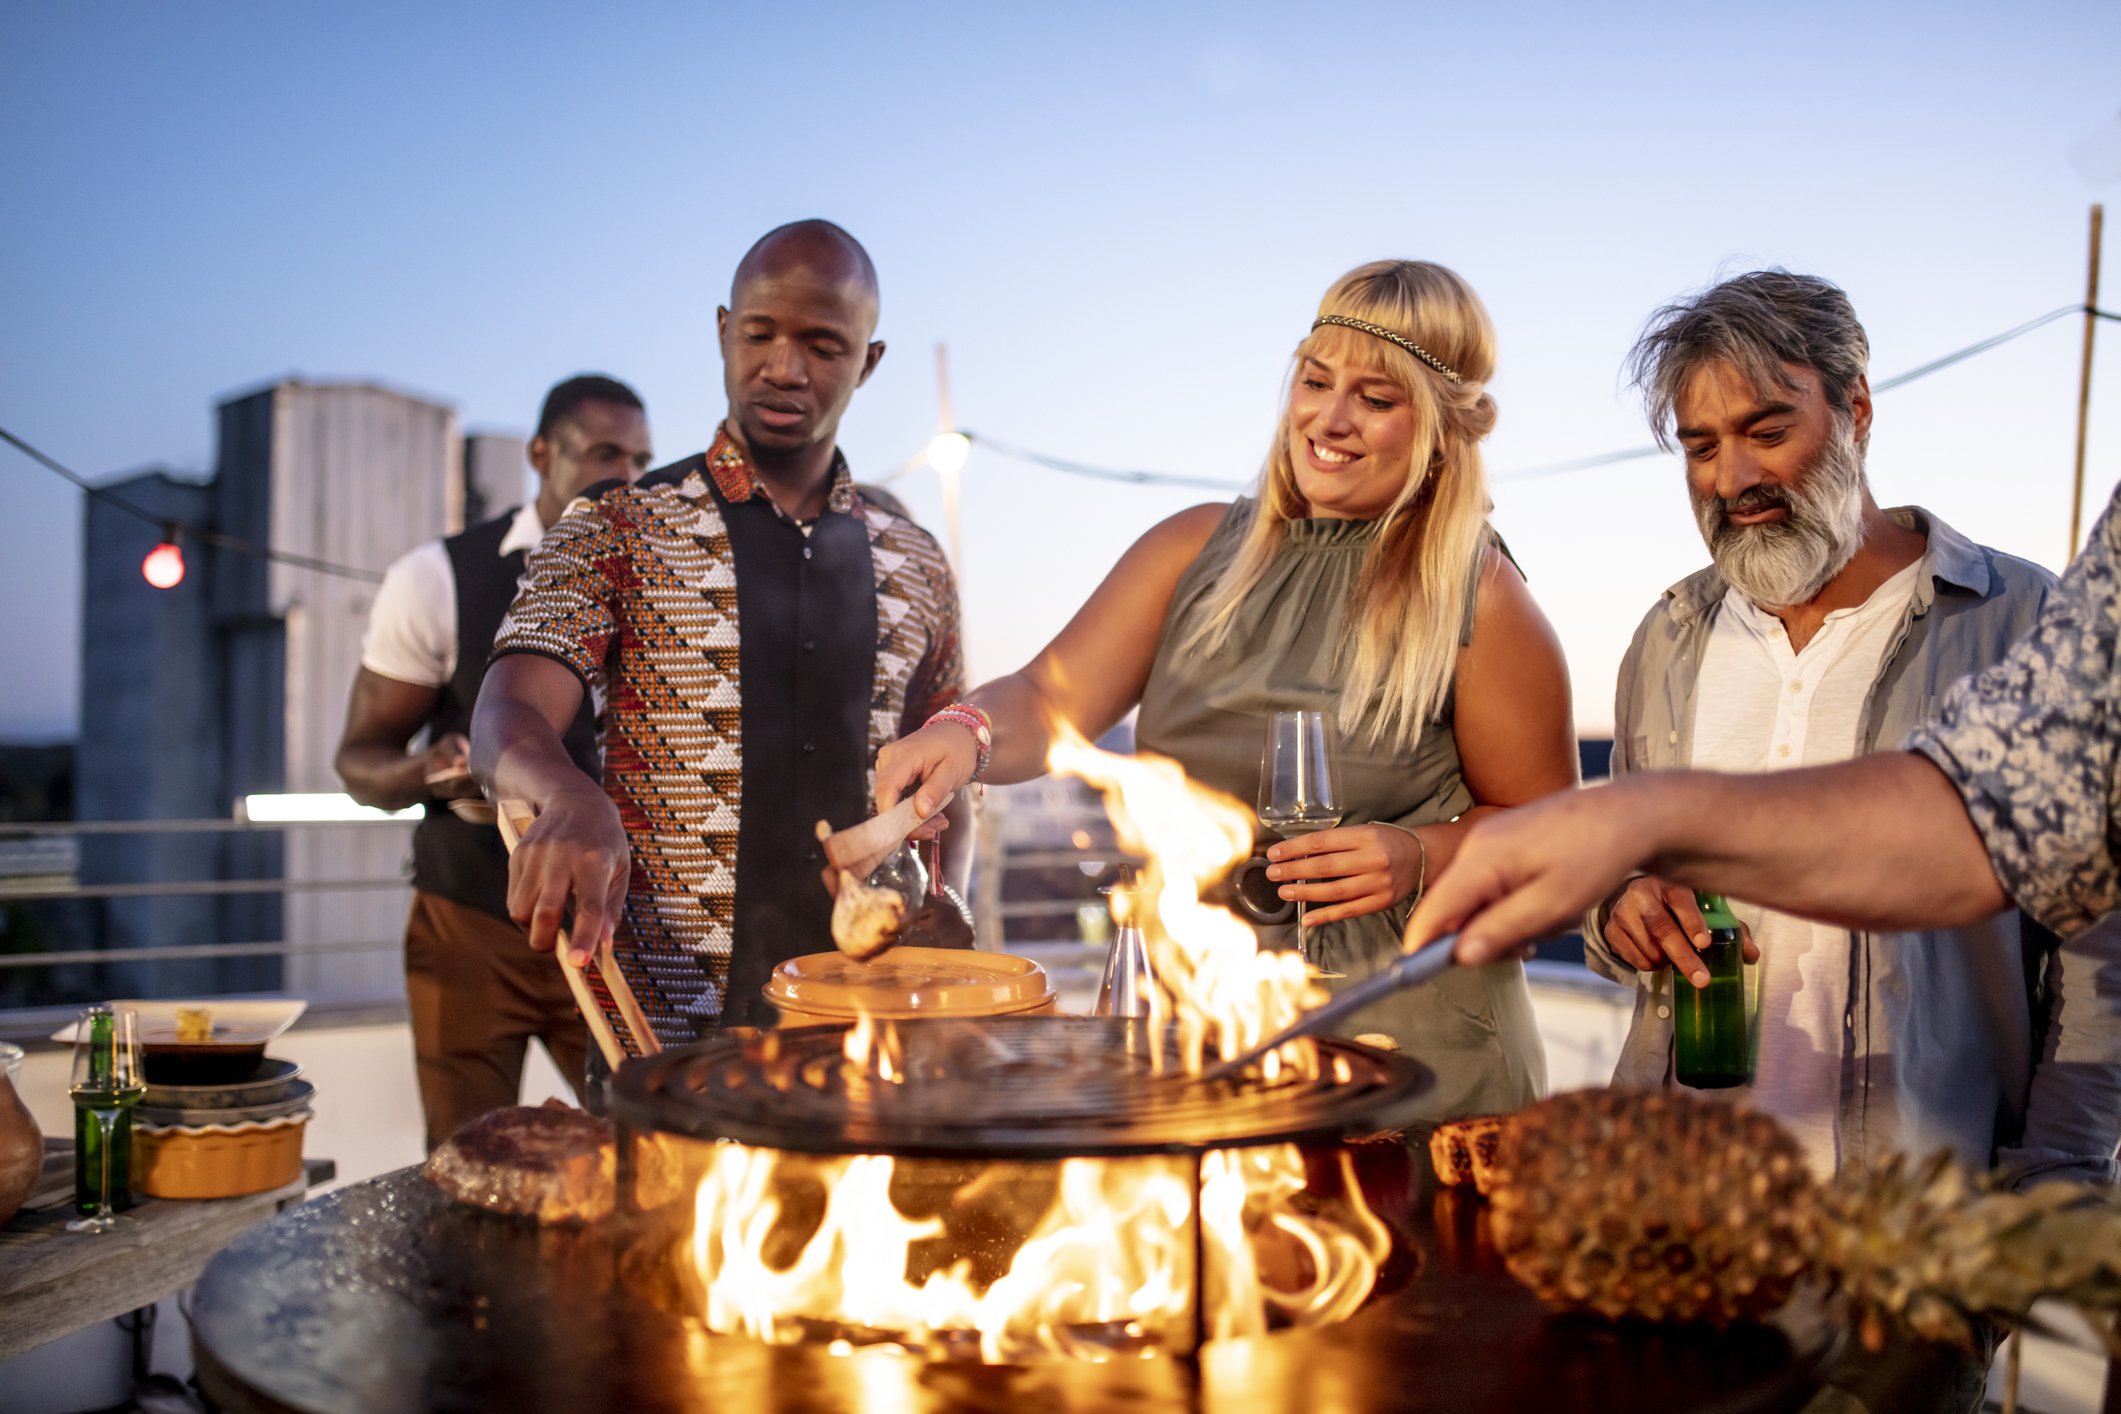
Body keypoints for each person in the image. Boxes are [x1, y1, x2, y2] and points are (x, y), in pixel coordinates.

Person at [875, 259, 1577, 1119]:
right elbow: (1045, 699)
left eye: (1376, 399)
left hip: (1404, 1043)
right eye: (1315, 382)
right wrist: (965, 733)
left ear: (1440, 426)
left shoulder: (1483, 597)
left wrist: (1418, 855)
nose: (1330, 418)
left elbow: (1553, 833)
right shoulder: (1191, 548)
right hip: (1193, 1024)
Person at [1579, 270, 2119, 1190]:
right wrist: (1615, 906)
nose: (1732, 478)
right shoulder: (1665, 639)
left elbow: (2096, 938)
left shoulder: (2020, 616)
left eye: (1767, 431)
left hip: (1920, 1224)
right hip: (1682, 1208)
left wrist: (2055, 1173)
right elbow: (1617, 886)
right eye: (1699, 446)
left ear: (1856, 409)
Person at [471, 220, 967, 1042]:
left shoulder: (913, 557)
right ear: (722, 332)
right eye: (760, 333)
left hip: (869, 1027)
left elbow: (951, 766)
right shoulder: (619, 523)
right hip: (666, 1039)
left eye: (822, 344)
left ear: (868, 362)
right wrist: (565, 793)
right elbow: (505, 713)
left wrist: (947, 901)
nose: (783, 367)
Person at [335, 374, 653, 1150]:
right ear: (540, 454)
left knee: (649, 1154)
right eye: (605, 453)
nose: (630, 478)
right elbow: (358, 763)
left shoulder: (665, 579)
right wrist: (434, 767)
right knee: (464, 1160)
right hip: (471, 922)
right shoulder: (436, 578)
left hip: (619, 927)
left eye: (643, 459)